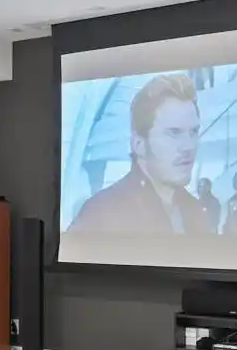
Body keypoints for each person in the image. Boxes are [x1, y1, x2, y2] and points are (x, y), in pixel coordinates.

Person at [68, 73, 213, 234]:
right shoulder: (100, 213)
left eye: (193, 132)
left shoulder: (197, 212)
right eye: (174, 133)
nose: (188, 146)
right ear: (139, 145)